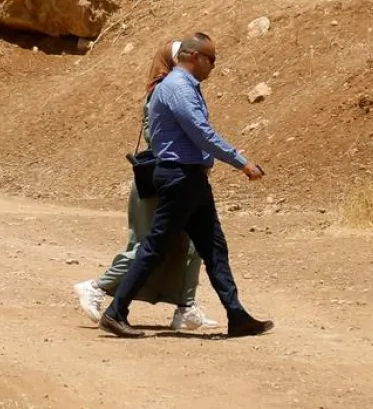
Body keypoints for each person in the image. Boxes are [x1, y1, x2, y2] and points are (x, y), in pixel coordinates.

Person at [99, 33, 275, 339]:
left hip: (192, 179)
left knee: (214, 248)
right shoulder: (178, 88)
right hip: (179, 177)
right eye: (212, 60)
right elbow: (201, 133)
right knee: (155, 247)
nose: (214, 67)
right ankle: (115, 312)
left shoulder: (183, 87)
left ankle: (237, 315)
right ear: (195, 57)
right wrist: (241, 162)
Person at [73, 39, 219, 331]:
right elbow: (159, 137)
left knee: (190, 245)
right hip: (162, 179)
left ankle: (185, 308)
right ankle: (97, 287)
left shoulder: (183, 91)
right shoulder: (161, 95)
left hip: (182, 178)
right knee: (152, 245)